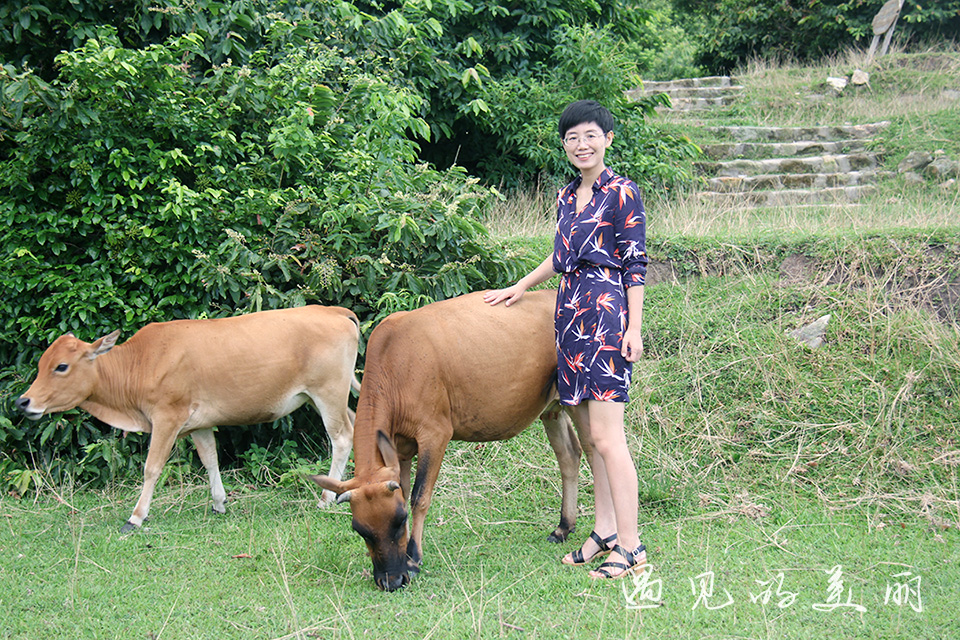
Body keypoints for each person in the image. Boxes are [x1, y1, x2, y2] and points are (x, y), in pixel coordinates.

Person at [484, 99, 647, 579]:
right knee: (590, 436)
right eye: (573, 137)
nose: (582, 144)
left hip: (605, 314)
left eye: (591, 135)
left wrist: (634, 327)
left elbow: (635, 263)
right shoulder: (564, 196)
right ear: (564, 145)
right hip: (568, 316)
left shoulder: (622, 192)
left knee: (608, 437)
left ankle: (632, 549)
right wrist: (519, 287)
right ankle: (603, 533)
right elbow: (560, 257)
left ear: (608, 139)